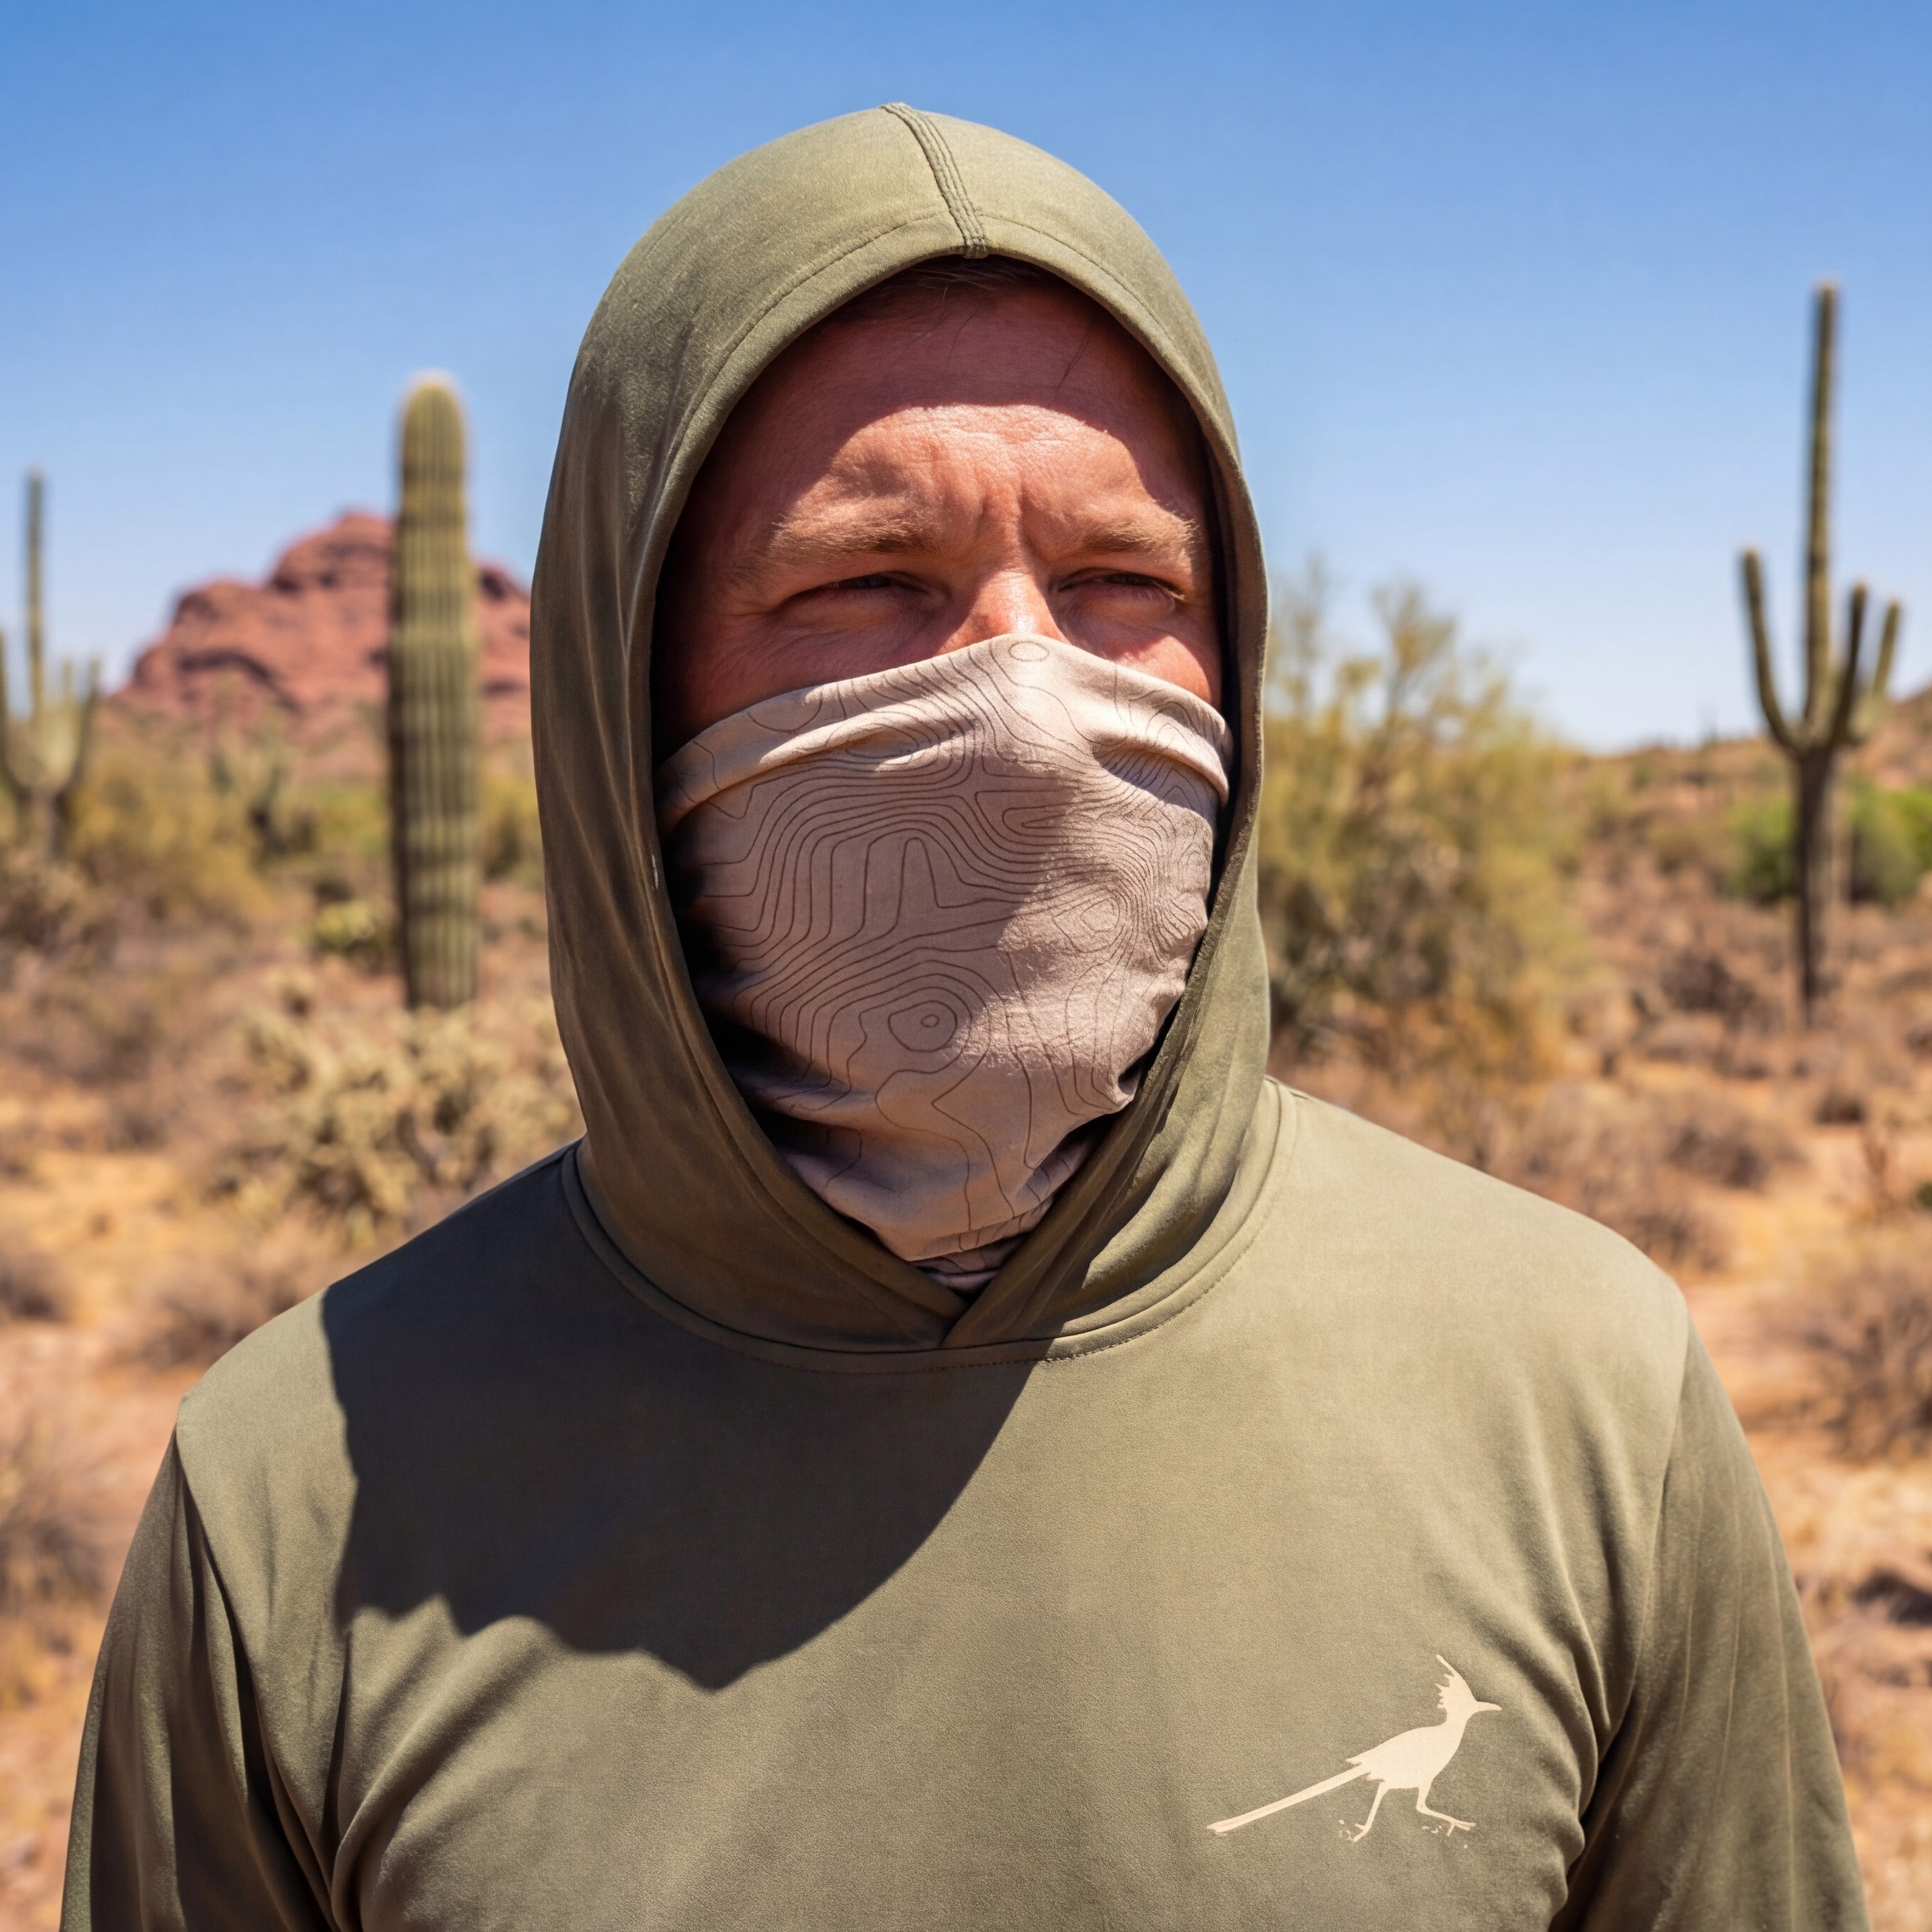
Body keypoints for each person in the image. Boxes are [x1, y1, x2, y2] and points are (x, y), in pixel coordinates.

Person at [64, 105, 1866, 1931]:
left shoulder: (1582, 1399)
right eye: (869, 583)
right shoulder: (302, 1499)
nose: (1026, 700)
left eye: (1123, 586)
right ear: (623, 685)